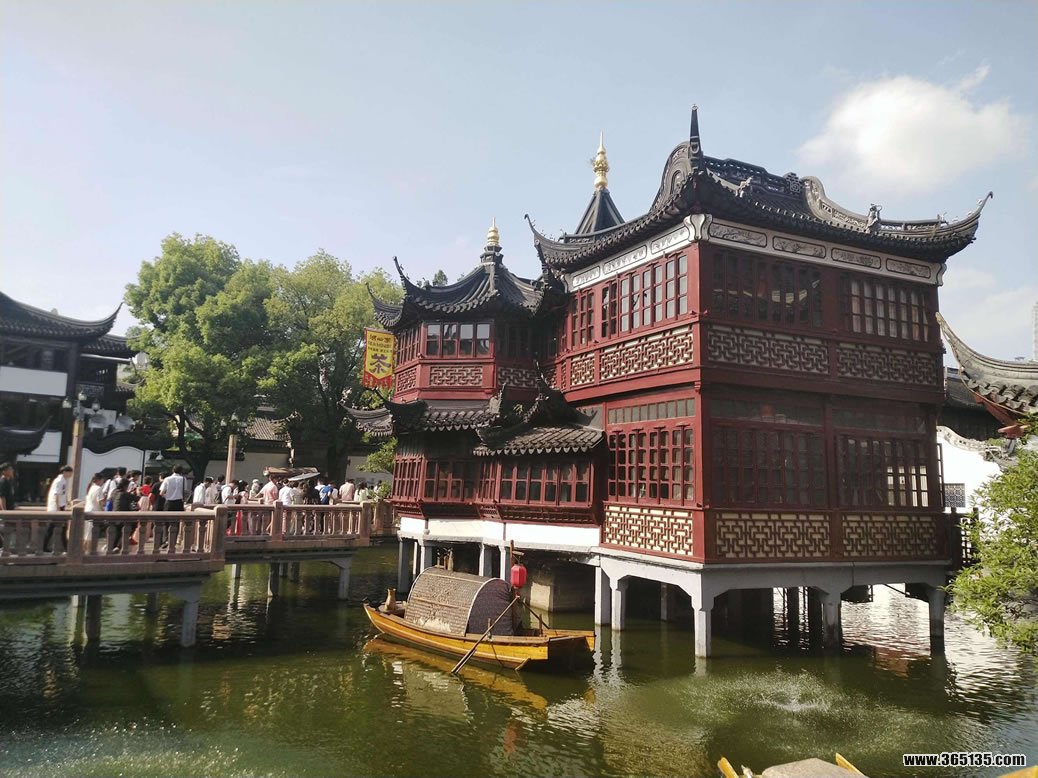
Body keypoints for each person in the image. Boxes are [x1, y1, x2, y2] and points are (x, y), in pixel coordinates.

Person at [43, 465, 73, 552]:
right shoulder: (59, 481)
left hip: (60, 506)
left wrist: (67, 502)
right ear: (65, 472)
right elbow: (56, 495)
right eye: (70, 473)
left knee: (61, 528)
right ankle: (45, 546)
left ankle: (66, 547)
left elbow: (63, 494)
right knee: (53, 528)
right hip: (57, 507)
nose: (71, 475)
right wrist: (58, 508)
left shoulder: (63, 481)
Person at [158, 465, 187, 549]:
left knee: (166, 522)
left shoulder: (167, 479)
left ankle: (166, 539)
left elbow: (161, 493)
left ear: (173, 470)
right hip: (179, 502)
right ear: (181, 471)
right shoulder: (183, 479)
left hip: (169, 502)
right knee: (176, 523)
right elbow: (185, 491)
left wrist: (167, 496)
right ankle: (173, 541)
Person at [0, 461, 15, 554]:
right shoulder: (3, 482)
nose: (12, 471)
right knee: (4, 530)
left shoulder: (8, 481)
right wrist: (4, 511)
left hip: (9, 510)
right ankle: (4, 549)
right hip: (5, 511)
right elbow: (2, 497)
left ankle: (5, 549)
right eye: (10, 469)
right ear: (4, 471)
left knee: (6, 530)